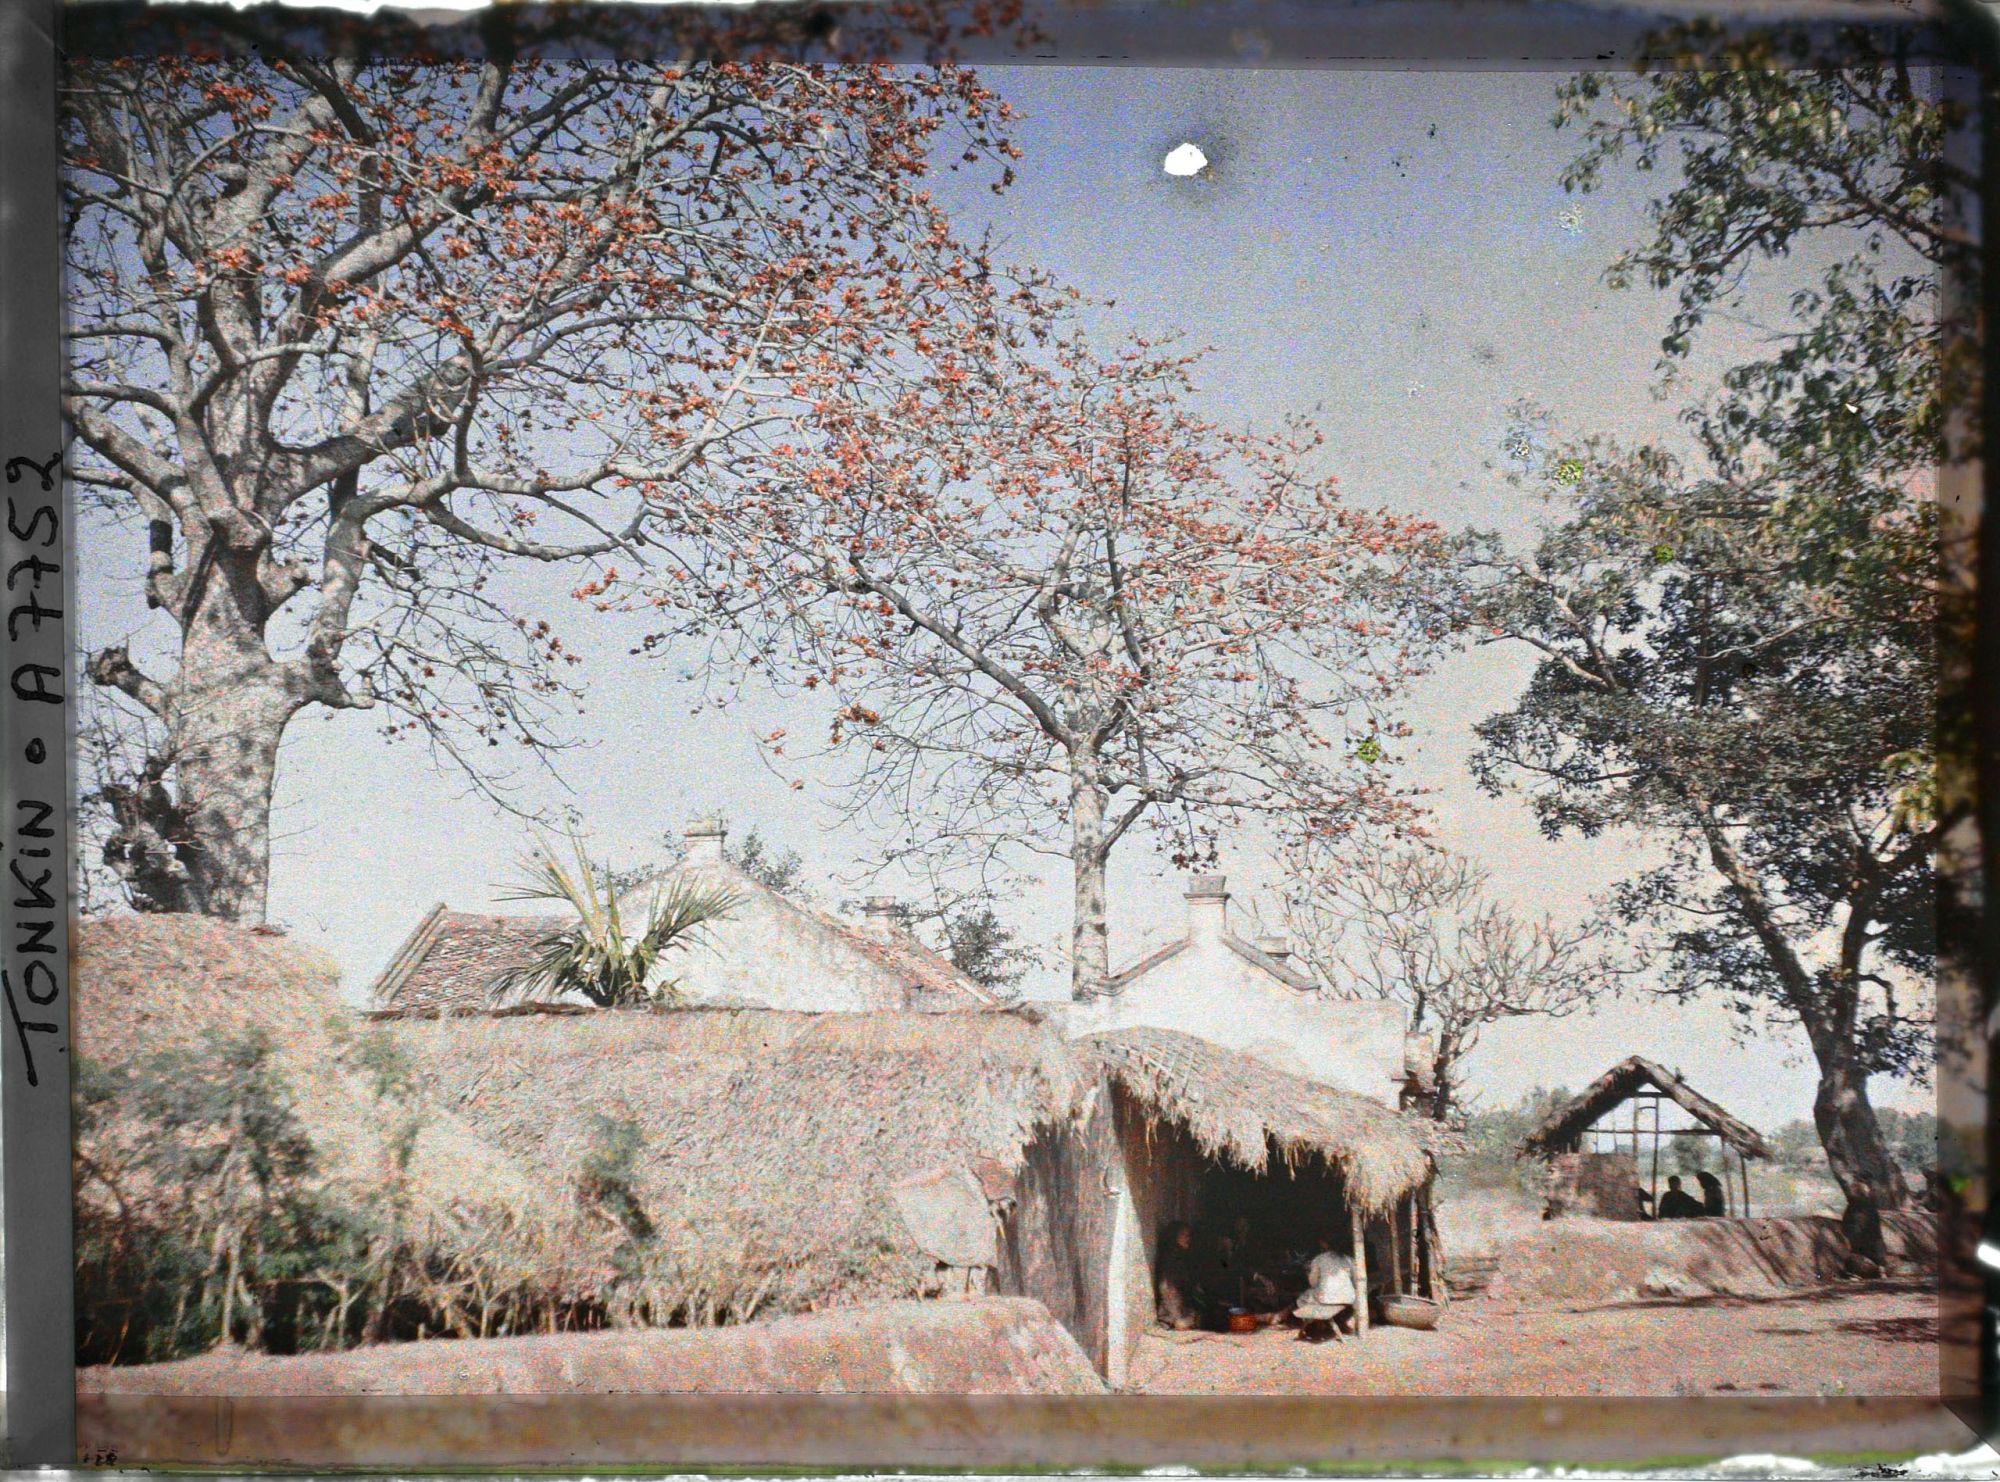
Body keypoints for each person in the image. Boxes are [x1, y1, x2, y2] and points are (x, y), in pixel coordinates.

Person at [1292, 1238, 1357, 1342]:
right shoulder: (1349, 1259)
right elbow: (1355, 1281)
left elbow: (1312, 1283)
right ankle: (1341, 1321)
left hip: (1328, 1299)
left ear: (1324, 1244)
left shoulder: (1319, 1259)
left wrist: (1310, 1273)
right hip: (1348, 1297)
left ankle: (1317, 1324)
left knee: (1304, 1297)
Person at [1155, 1221, 1204, 1331]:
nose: (1188, 1238)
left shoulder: (1182, 1257)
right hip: (1171, 1319)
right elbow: (1166, 1289)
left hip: (1182, 1314)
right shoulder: (1171, 1259)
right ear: (1174, 1237)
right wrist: (1177, 1318)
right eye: (1184, 1235)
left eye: (1189, 1235)